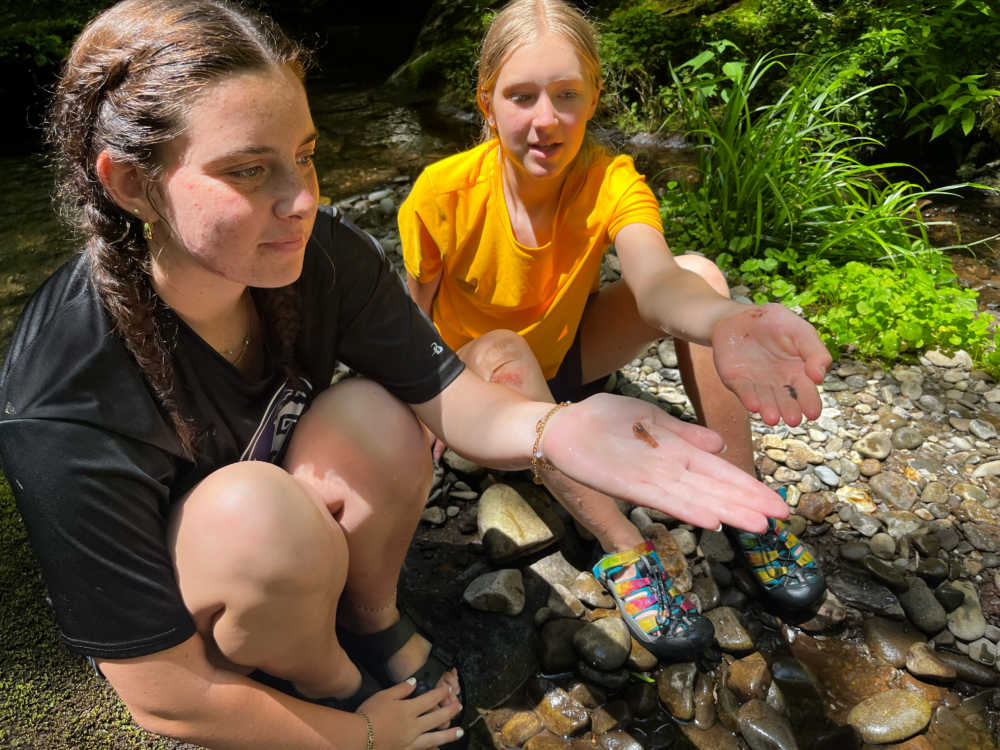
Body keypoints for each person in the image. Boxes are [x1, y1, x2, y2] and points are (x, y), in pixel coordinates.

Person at [0, 1, 790, 747]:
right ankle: (331, 674)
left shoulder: (322, 257)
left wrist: (560, 425)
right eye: (248, 170)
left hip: (286, 520)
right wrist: (365, 733)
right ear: (132, 184)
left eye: (305, 156)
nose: (302, 200)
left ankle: (369, 617)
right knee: (253, 511)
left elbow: (442, 389)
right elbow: (164, 694)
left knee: (380, 409)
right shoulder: (61, 391)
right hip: (218, 567)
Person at [399, 0, 831, 660]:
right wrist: (425, 413)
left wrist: (726, 320)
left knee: (703, 271)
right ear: (487, 101)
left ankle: (752, 510)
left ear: (594, 95)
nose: (545, 120)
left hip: (570, 357)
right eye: (521, 96)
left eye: (566, 94)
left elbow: (659, 283)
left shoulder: (610, 180)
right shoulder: (442, 193)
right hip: (485, 394)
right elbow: (412, 315)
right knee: (508, 348)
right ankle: (626, 551)